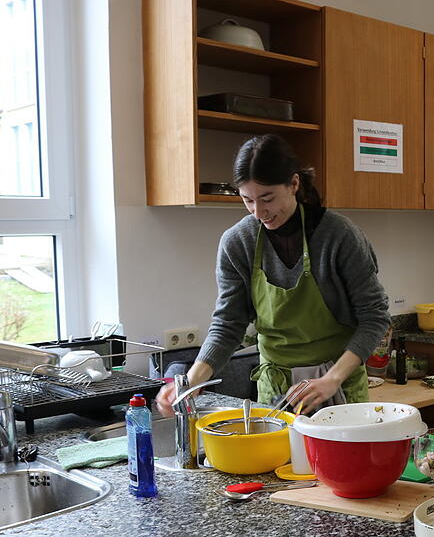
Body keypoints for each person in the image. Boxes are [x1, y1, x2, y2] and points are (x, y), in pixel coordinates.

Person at [157, 134, 390, 416]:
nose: (258, 213)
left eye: (267, 199)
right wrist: (190, 382)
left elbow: (375, 317)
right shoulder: (238, 242)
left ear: (294, 184)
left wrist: (332, 379)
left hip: (339, 384)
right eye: (247, 200)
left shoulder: (338, 236)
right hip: (276, 391)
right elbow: (229, 323)